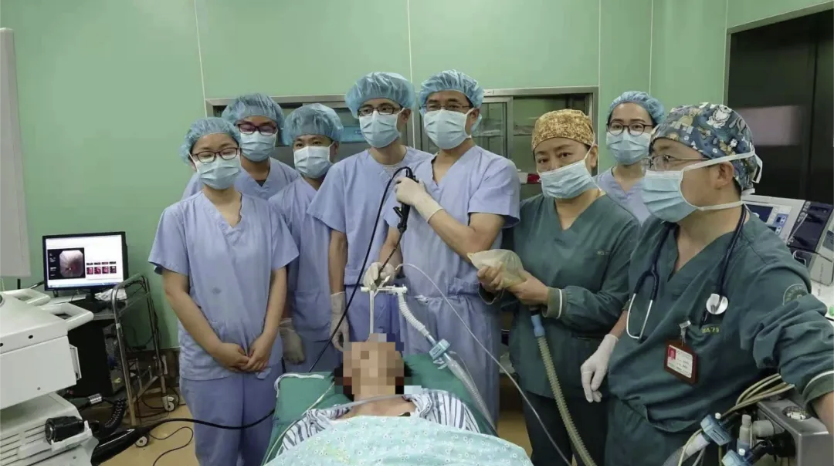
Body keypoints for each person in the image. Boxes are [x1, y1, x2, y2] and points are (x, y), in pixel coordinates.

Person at [582, 104, 834, 466]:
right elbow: (641, 298)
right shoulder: (659, 231)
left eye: (668, 159)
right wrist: (610, 342)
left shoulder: (760, 268)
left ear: (722, 172)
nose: (654, 172)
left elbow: (816, 357)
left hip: (687, 442)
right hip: (624, 421)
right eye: (654, 159)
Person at [475, 109, 638, 466]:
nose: (554, 166)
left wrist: (551, 298)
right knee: (547, 457)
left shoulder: (622, 226)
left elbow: (618, 306)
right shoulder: (527, 215)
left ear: (592, 155)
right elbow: (509, 288)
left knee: (597, 456)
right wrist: (493, 285)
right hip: (535, 366)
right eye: (543, 159)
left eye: (565, 154)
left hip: (590, 373)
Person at [369, 70, 521, 423]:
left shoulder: (495, 169)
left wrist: (423, 201)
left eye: (452, 105)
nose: (441, 112)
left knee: (469, 413)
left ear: (473, 114)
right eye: (433, 105)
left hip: (465, 314)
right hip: (414, 313)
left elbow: (476, 243)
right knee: (421, 415)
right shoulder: (411, 172)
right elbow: (393, 241)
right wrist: (384, 268)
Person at [150, 117, 298, 466]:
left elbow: (279, 278)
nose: (217, 159)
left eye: (226, 150)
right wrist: (216, 348)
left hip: (262, 356)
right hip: (209, 362)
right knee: (218, 453)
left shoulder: (266, 213)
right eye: (206, 154)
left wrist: (269, 337)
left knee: (266, 449)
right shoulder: (177, 218)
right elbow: (175, 292)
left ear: (238, 153)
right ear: (192, 161)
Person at [308, 72, 432, 351]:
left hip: (416, 293)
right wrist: (338, 309)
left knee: (419, 373)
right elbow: (338, 244)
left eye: (385, 108)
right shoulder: (342, 173)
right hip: (362, 297)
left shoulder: (426, 167)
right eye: (366, 110)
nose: (375, 116)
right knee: (371, 376)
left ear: (404, 115)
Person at [279, 334, 481, 452]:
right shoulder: (309, 429)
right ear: (347, 375)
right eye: (363, 350)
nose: (373, 341)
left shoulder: (444, 408)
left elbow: (481, 456)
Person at [270, 104, 343, 373]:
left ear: (334, 147)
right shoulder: (279, 205)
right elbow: (277, 271)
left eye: (316, 142)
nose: (307, 149)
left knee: (370, 395)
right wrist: (286, 326)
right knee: (312, 396)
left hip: (361, 317)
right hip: (306, 323)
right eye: (299, 144)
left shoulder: (353, 192)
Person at [182, 93, 298, 200]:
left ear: (277, 131)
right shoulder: (209, 176)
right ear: (232, 131)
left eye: (266, 128)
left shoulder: (290, 177)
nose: (256, 134)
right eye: (247, 128)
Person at [596, 91, 665, 223]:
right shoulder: (593, 188)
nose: (625, 134)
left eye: (637, 126)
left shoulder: (666, 191)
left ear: (656, 131)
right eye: (617, 126)